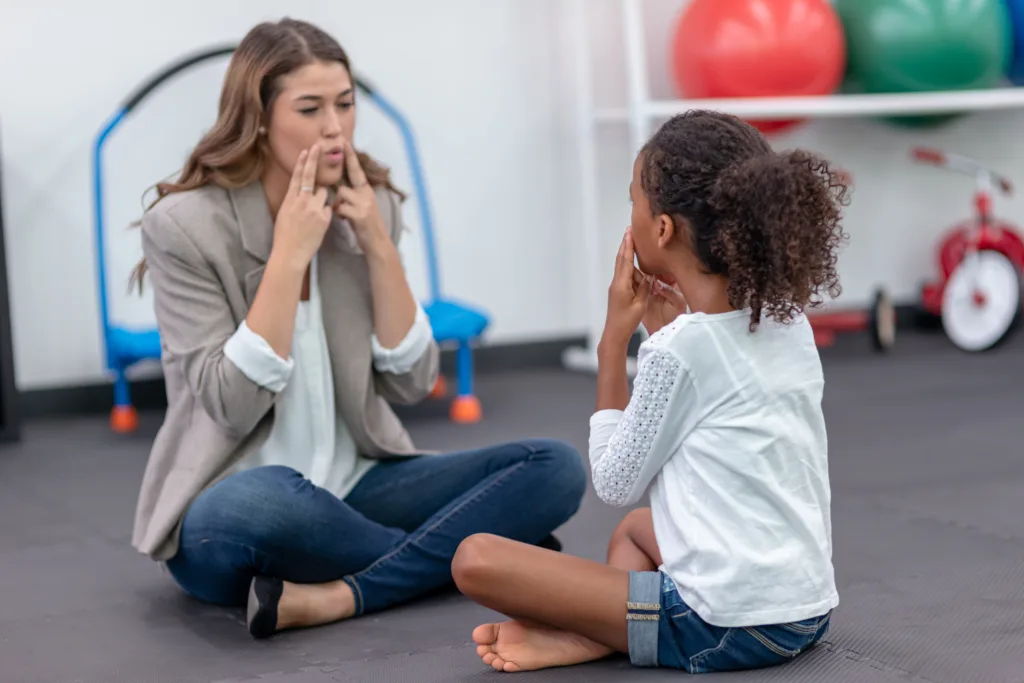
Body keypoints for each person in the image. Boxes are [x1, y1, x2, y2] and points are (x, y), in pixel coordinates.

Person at [129, 17, 586, 640]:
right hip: (236, 501)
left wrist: (375, 241)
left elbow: (412, 382)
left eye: (344, 104)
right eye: (310, 108)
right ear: (258, 117)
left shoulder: (371, 203)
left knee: (553, 465)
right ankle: (465, 558)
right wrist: (289, 254)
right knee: (263, 501)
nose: (334, 126)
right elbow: (231, 406)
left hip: (355, 487)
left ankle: (345, 593)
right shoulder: (183, 225)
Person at [451, 110, 847, 674]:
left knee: (476, 558)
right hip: (803, 614)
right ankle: (605, 632)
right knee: (636, 531)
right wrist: (665, 333)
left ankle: (602, 634)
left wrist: (613, 344)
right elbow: (716, 411)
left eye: (632, 200)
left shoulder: (680, 350)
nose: (630, 215)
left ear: (661, 229)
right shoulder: (789, 324)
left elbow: (615, 480)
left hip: (724, 627)